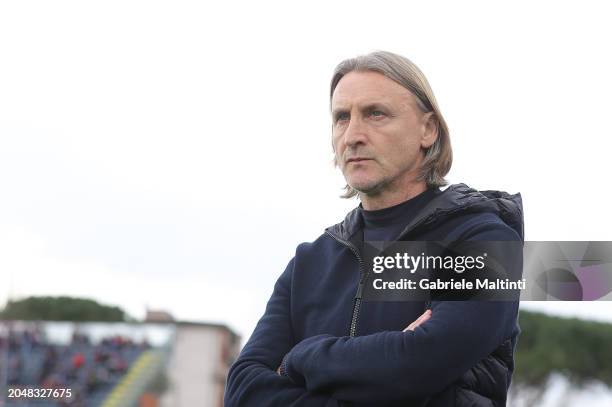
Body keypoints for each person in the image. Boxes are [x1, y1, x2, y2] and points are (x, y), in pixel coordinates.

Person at [224, 51, 524, 406]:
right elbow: (243, 390)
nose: (352, 136)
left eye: (375, 114)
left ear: (428, 129)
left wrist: (299, 359)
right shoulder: (311, 261)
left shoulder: (484, 240)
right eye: (341, 118)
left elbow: (419, 363)